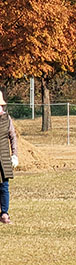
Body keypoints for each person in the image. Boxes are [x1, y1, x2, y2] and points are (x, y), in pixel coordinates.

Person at [0, 90, 19, 224]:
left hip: (3, 158)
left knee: (4, 187)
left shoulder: (7, 119)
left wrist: (15, 155)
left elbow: (13, 137)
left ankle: (4, 214)